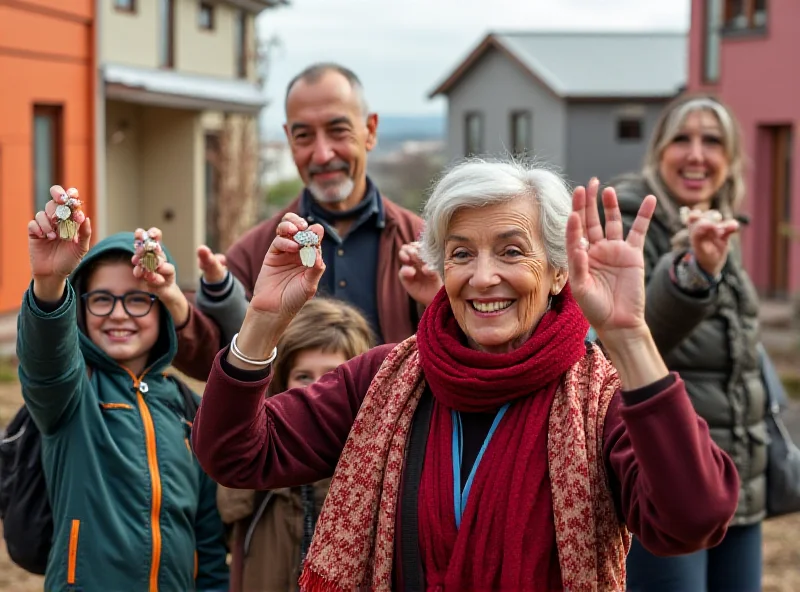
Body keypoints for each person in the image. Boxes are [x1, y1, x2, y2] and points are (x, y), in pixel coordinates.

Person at [191, 159, 741, 590]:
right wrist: (263, 322)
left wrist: (629, 337)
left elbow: (693, 518)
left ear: (556, 273)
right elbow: (235, 453)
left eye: (510, 251)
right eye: (460, 254)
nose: (483, 278)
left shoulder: (602, 400)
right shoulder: (385, 379)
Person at [17, 187, 229, 591]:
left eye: (137, 300)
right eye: (101, 299)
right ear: (81, 307)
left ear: (162, 309)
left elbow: (209, 543)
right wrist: (49, 282)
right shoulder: (70, 396)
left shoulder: (188, 409)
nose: (118, 315)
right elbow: (45, 361)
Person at [174, 62, 441, 381]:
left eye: (337, 130)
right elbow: (213, 363)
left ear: (370, 130)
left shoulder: (423, 245)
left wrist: (442, 301)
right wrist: (173, 304)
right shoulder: (257, 251)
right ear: (289, 139)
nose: (322, 154)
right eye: (304, 136)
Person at [606, 94, 766, 591]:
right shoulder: (633, 221)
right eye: (682, 139)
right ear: (658, 151)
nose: (697, 154)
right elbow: (630, 333)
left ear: (731, 159)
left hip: (737, 480)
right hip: (670, 478)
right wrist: (695, 272)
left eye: (712, 141)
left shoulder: (720, 227)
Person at [215, 298, 375, 592]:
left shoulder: (374, 475)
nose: (316, 391)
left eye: (332, 377)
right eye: (303, 377)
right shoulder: (253, 473)